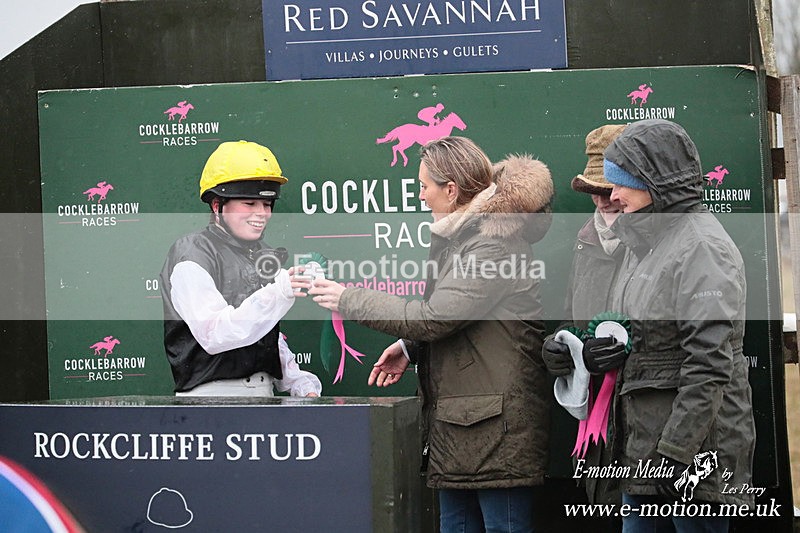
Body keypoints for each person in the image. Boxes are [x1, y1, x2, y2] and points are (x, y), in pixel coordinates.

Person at [309, 136, 554, 533]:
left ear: (451, 190)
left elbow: (437, 316)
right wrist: (411, 347)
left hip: (497, 431)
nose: (421, 196)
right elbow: (460, 320)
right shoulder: (461, 239)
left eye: (424, 186)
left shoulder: (493, 245)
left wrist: (347, 298)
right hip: (463, 429)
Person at [602, 119, 755, 531]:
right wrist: (602, 346)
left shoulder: (701, 247)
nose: (613, 195)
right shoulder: (647, 241)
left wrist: (676, 451)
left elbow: (710, 363)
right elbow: (649, 335)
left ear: (657, 182)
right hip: (647, 450)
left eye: (622, 182)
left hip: (692, 457)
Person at [160, 140, 322, 398]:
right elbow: (215, 334)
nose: (262, 214)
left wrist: (296, 381)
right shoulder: (191, 254)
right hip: (211, 402)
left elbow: (264, 334)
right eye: (249, 203)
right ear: (216, 205)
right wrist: (279, 292)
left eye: (267, 204)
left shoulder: (260, 254)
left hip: (264, 396)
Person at [540, 124, 627, 518]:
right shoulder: (583, 240)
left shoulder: (661, 241)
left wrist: (627, 350)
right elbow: (571, 319)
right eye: (594, 189)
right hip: (597, 423)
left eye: (610, 190)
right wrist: (559, 350)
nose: (604, 200)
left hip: (643, 421)